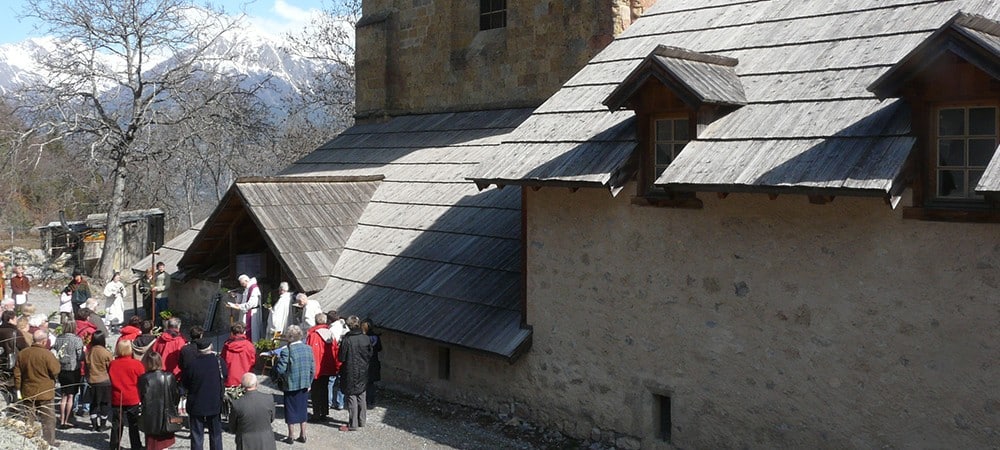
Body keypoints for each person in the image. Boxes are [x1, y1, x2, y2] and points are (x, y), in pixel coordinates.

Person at [14, 329, 60, 447]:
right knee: (48, 419)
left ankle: (27, 441)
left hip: (28, 391)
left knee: (28, 418)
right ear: (44, 341)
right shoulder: (47, 354)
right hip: (45, 392)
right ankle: (48, 442)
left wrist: (18, 390)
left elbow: (17, 374)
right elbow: (56, 370)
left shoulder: (23, 353)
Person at [182, 340, 227, 450]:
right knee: (215, 434)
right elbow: (225, 375)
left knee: (197, 434)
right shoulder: (219, 362)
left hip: (196, 402)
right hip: (214, 401)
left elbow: (185, 383)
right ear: (211, 347)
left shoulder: (192, 364)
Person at [274, 325, 314, 444]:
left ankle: (291, 436)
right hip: (304, 383)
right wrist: (309, 382)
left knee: (290, 409)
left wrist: (277, 362)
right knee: (303, 408)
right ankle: (303, 434)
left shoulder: (286, 351)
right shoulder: (308, 349)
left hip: (291, 384)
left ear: (289, 337)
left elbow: (281, 370)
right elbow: (312, 368)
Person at [138, 351, 180, 450]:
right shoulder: (169, 376)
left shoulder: (144, 378)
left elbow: (142, 396)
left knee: (152, 442)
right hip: (167, 412)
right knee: (165, 443)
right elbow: (175, 395)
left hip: (150, 414)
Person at [338, 316, 372, 432]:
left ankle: (353, 424)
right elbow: (370, 354)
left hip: (350, 370)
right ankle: (362, 421)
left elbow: (341, 357)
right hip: (363, 370)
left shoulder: (347, 340)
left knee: (351, 395)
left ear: (348, 326)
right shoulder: (366, 338)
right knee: (361, 394)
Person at [109, 339, 145, 450]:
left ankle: (114, 446)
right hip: (132, 397)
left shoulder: (113, 364)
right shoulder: (137, 364)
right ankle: (136, 445)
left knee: (116, 424)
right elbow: (142, 380)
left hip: (117, 397)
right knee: (133, 424)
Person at [229, 373, 276, 450]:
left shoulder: (237, 404)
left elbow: (232, 426)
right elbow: (271, 418)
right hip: (266, 441)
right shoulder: (269, 398)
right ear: (256, 383)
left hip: (245, 443)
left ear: (242, 386)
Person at [306, 313, 338, 423]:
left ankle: (316, 414)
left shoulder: (313, 334)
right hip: (327, 366)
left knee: (315, 391)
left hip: (316, 367)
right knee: (324, 389)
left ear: (316, 321)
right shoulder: (330, 334)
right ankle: (324, 413)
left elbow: (309, 351)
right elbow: (335, 350)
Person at [54, 319, 85, 429]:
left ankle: (61, 419)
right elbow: (80, 356)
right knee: (71, 396)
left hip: (62, 369)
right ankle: (67, 420)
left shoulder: (58, 339)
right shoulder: (77, 340)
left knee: (63, 395)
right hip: (73, 370)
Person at [86, 330, 113, 432]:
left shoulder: (89, 352)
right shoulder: (106, 353)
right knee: (104, 403)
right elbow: (110, 366)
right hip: (104, 380)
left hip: (92, 381)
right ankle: (102, 425)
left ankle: (93, 425)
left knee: (93, 403)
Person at [227, 274, 262, 342]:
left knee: (252, 332)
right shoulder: (248, 288)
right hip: (247, 312)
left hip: (252, 314)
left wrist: (239, 306)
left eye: (243, 283)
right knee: (245, 330)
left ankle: (252, 346)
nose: (242, 285)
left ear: (247, 280)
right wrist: (236, 295)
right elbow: (245, 298)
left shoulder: (254, 288)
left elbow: (251, 303)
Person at [221, 322, 256, 387]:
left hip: (230, 378)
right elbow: (252, 362)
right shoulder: (249, 346)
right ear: (244, 332)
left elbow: (222, 360)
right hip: (245, 380)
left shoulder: (227, 346)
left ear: (232, 332)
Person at [362, 318, 383, 406]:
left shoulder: (362, 337)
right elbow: (379, 348)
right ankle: (371, 400)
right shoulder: (375, 337)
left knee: (363, 382)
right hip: (373, 361)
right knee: (371, 383)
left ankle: (364, 400)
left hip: (364, 361)